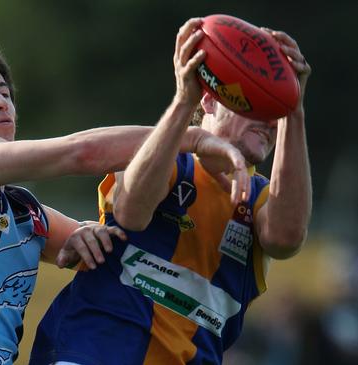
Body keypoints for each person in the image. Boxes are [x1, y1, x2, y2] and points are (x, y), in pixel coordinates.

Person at [0, 38, 248, 365]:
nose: (0, 103)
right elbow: (79, 154)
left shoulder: (25, 212)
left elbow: (99, 247)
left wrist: (86, 236)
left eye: (5, 94)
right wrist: (190, 136)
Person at [30, 17, 312, 365]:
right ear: (209, 101)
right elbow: (132, 211)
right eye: (254, 103)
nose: (270, 121)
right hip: (94, 352)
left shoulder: (258, 200)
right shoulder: (164, 157)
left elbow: (287, 238)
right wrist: (183, 99)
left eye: (275, 112)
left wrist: (294, 112)